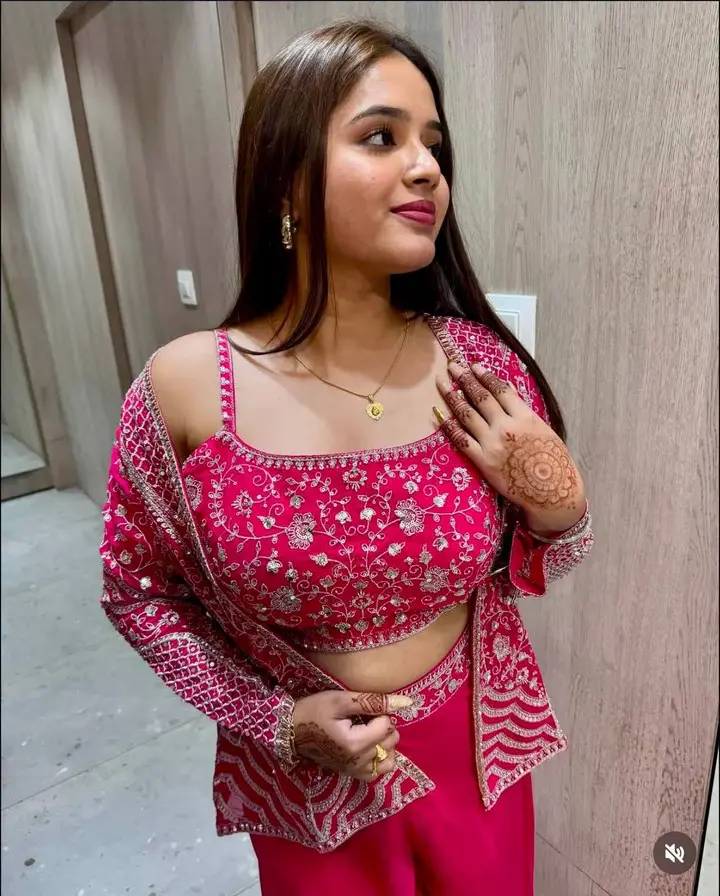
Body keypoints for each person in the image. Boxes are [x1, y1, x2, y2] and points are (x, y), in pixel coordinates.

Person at [99, 20, 594, 896]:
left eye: (433, 144)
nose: (426, 168)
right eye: (381, 137)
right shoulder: (185, 388)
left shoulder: (477, 365)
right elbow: (136, 592)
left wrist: (561, 507)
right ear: (287, 179)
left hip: (479, 753)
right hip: (307, 784)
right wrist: (275, 722)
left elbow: (544, 556)